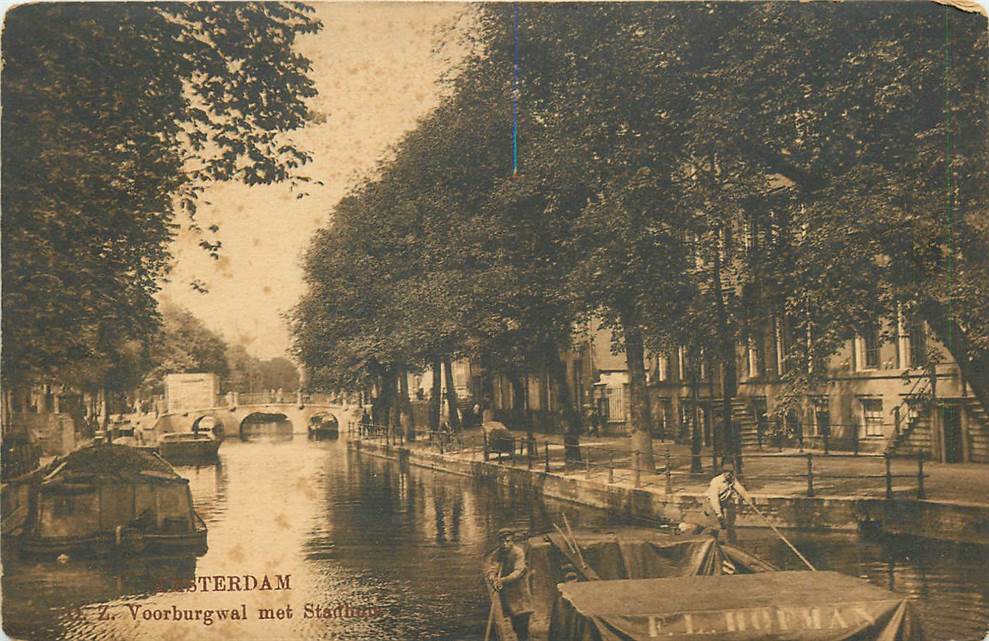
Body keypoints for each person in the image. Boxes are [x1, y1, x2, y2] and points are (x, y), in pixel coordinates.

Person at [486, 528, 533, 640]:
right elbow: (492, 568)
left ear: (512, 541)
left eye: (507, 541)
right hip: (508, 594)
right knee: (514, 624)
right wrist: (492, 577)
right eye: (502, 542)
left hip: (520, 593)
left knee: (522, 624)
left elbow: (518, 572)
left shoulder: (518, 553)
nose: (504, 544)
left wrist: (502, 580)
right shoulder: (497, 553)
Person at [704, 461, 752, 544]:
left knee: (728, 525)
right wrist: (719, 513)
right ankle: (711, 544)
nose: (729, 474)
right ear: (723, 472)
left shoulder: (732, 479)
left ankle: (728, 542)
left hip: (723, 502)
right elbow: (714, 499)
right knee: (715, 525)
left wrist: (749, 500)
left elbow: (740, 489)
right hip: (711, 504)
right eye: (726, 472)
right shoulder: (716, 482)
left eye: (731, 472)